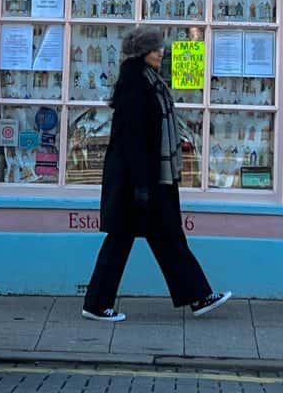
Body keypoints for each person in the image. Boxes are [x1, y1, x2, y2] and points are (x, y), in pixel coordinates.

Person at [82, 27, 231, 322]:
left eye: (161, 47)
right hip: (138, 179)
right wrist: (140, 185)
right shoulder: (135, 85)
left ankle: (199, 296)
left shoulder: (150, 81)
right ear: (141, 52)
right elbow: (132, 138)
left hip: (152, 177)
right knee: (123, 240)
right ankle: (96, 305)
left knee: (167, 237)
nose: (161, 52)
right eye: (155, 48)